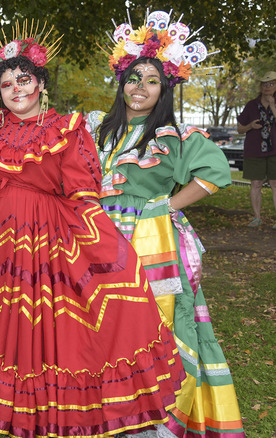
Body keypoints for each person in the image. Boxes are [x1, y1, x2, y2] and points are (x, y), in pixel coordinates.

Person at [0, 25, 186, 436]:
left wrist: (93, 228)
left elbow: (81, 188)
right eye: (7, 83)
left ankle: (60, 405)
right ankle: (10, 404)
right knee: (3, 322)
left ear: (41, 83)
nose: (16, 88)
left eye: (24, 79)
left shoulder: (67, 127)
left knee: (56, 319)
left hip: (46, 236)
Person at [87, 11, 245, 436]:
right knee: (105, 322)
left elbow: (215, 173)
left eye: (151, 80)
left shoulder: (172, 134)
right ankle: (112, 411)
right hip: (97, 240)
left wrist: (166, 206)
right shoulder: (99, 129)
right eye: (133, 77)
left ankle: (158, 420)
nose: (139, 87)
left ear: (165, 89)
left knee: (156, 321)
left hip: (149, 240)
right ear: (121, 81)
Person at [237, 70, 276, 228]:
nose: (267, 87)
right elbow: (240, 128)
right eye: (265, 84)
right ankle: (257, 217)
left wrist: (272, 105)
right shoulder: (251, 105)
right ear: (260, 87)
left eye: (271, 84)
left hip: (275, 150)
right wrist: (250, 126)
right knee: (256, 183)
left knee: (275, 183)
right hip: (255, 149)